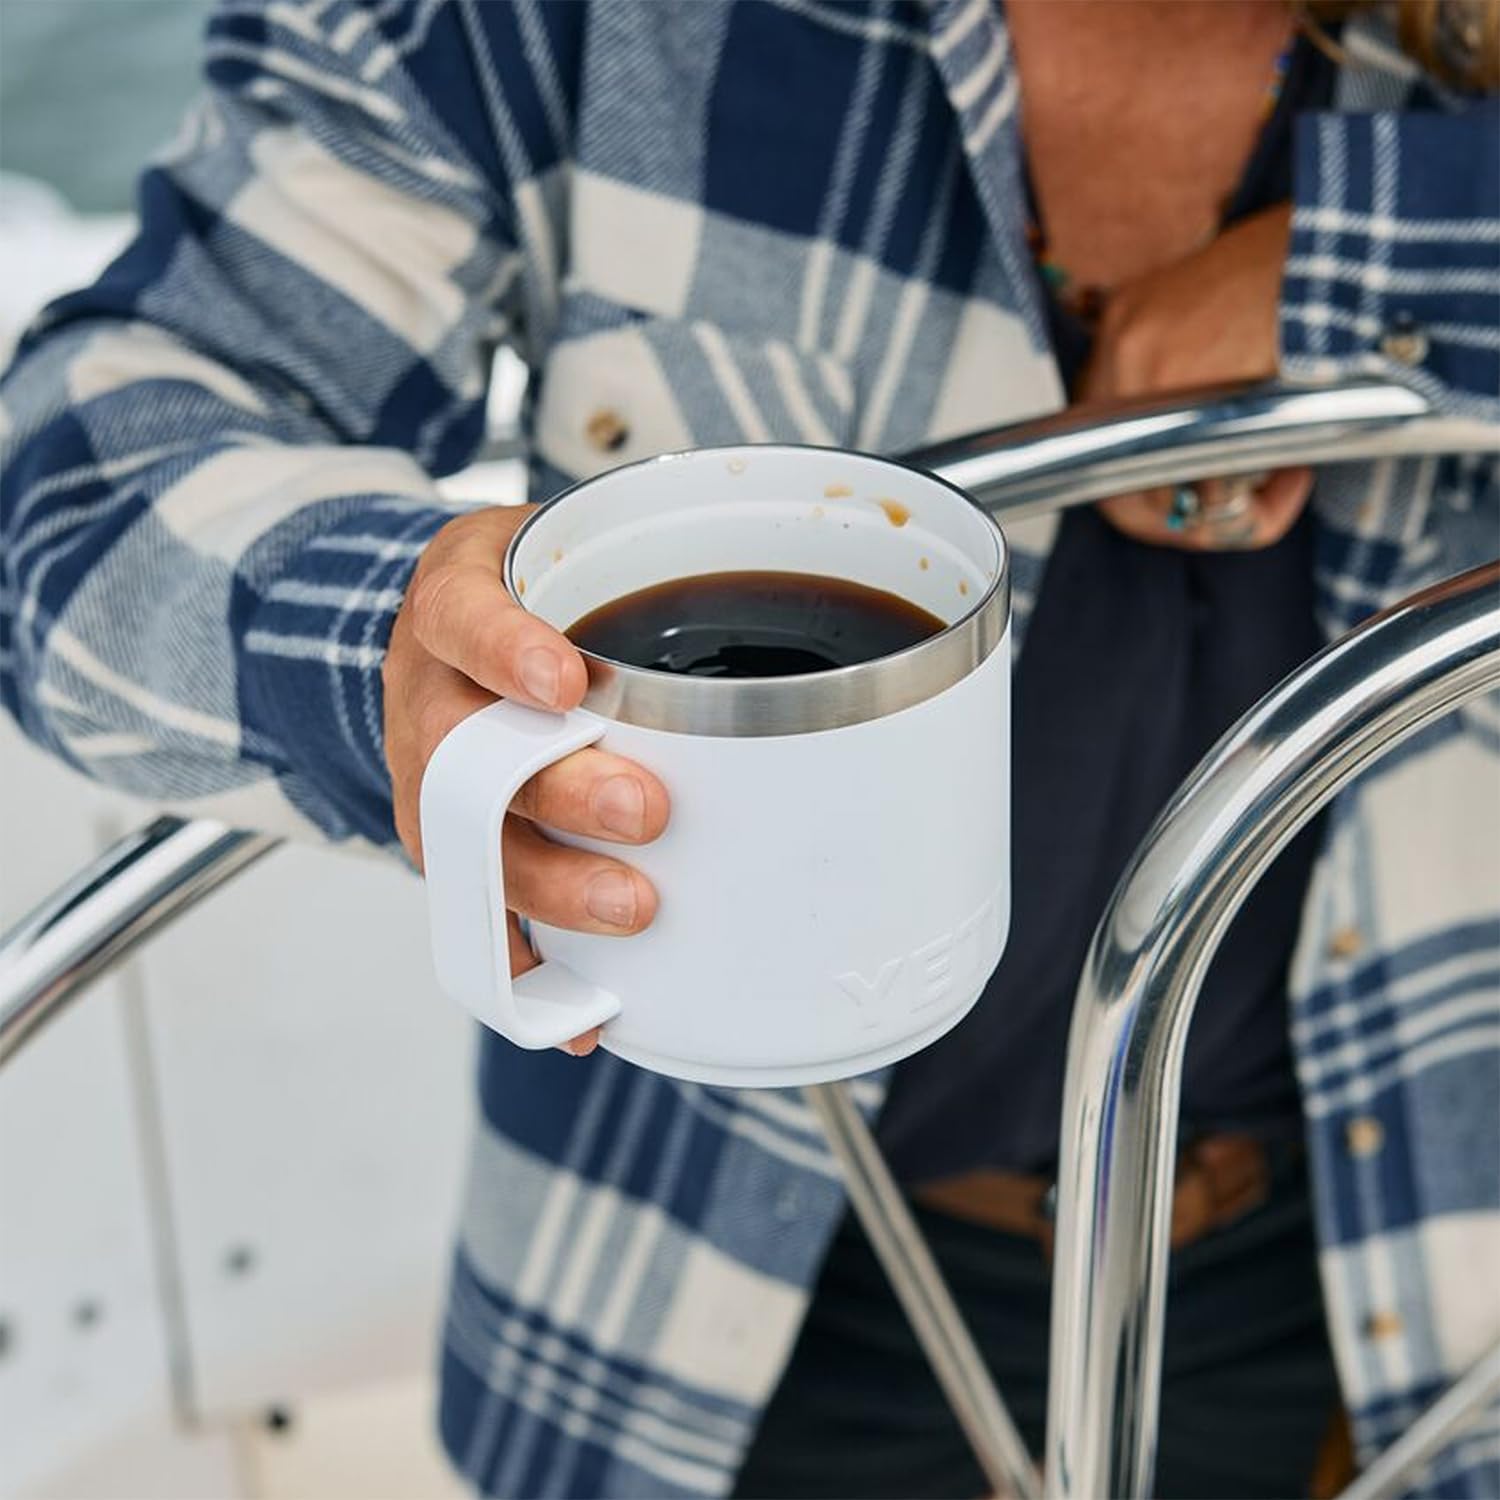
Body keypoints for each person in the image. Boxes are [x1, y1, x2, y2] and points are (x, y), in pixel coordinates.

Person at [1, 1, 1496, 1496]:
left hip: (1398, 1273)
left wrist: (1380, 259)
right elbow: (70, 491)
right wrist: (399, 652)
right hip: (699, 1295)